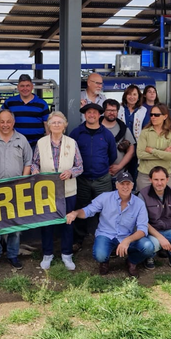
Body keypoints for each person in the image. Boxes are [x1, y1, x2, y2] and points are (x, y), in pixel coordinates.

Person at [66, 171, 153, 277]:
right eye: (122, 184)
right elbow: (88, 210)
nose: (125, 187)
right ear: (116, 185)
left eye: (128, 184)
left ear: (132, 185)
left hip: (127, 236)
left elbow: (143, 229)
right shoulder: (105, 197)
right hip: (106, 234)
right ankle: (105, 261)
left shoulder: (139, 203)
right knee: (100, 255)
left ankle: (132, 261)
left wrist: (127, 240)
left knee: (148, 247)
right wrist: (75, 213)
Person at [0, 110, 32, 271]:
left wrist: (23, 182)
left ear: (13, 122)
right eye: (2, 121)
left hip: (16, 190)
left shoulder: (21, 140)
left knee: (14, 227)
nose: (5, 125)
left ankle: (12, 255)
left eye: (8, 121)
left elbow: (28, 162)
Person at [31, 111, 82, 271]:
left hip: (68, 191)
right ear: (48, 125)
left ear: (65, 125)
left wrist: (71, 172)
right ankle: (48, 254)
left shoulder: (72, 142)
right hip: (47, 191)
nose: (56, 125)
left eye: (60, 122)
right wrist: (35, 171)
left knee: (67, 222)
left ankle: (66, 254)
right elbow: (34, 163)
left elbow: (80, 166)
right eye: (53, 122)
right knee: (47, 223)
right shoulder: (41, 143)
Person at [69, 103, 117, 252]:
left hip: (102, 179)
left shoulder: (106, 134)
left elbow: (112, 155)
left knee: (107, 210)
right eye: (88, 112)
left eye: (94, 113)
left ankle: (107, 240)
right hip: (82, 179)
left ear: (99, 115)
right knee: (80, 209)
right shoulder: (76, 133)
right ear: (85, 114)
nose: (91, 115)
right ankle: (78, 240)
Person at [135, 103, 171, 191]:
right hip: (145, 175)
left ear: (165, 116)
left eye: (156, 115)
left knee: (167, 203)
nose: (153, 117)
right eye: (151, 114)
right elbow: (140, 154)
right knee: (143, 203)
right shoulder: (145, 132)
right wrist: (164, 152)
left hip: (165, 175)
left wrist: (151, 150)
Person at [2, 74, 49, 148]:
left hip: (37, 145)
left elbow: (47, 124)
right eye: (22, 86)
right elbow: (2, 121)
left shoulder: (42, 103)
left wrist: (48, 143)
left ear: (32, 87)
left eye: (27, 86)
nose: (25, 88)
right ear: (18, 87)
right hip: (15, 144)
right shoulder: (9, 103)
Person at [117, 84, 148, 182]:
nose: (132, 97)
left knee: (133, 172)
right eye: (129, 94)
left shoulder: (143, 110)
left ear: (139, 96)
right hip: (120, 144)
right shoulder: (119, 108)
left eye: (135, 94)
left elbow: (146, 128)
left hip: (136, 146)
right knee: (120, 170)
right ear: (125, 96)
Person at [101, 98, 135, 177]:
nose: (111, 113)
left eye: (114, 110)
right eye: (109, 110)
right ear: (103, 111)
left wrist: (120, 166)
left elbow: (131, 149)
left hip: (119, 174)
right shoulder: (95, 127)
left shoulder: (123, 128)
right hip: (99, 175)